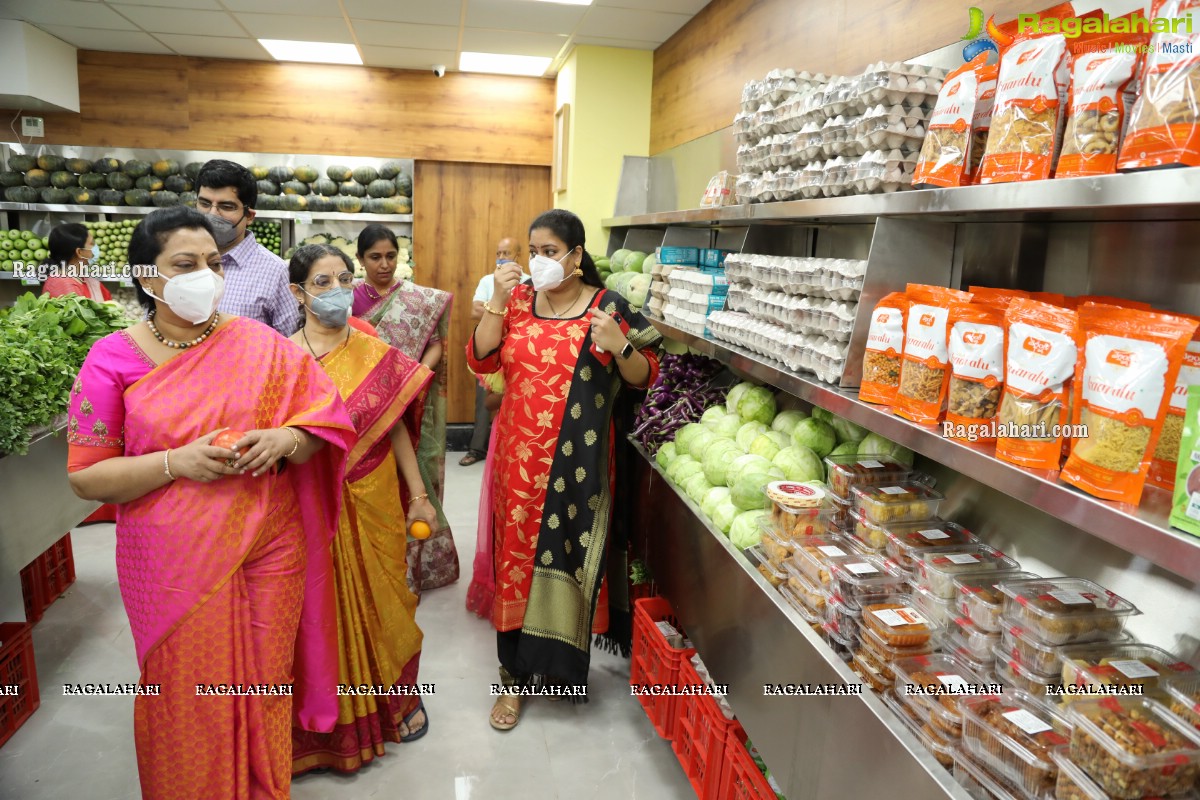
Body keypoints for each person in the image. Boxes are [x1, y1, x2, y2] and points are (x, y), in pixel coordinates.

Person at [64, 207, 355, 799]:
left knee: (265, 679)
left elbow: (324, 426)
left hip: (270, 546)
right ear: (147, 277)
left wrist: (287, 437)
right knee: (186, 689)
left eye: (214, 263)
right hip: (172, 563)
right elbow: (87, 478)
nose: (206, 274)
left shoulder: (257, 343)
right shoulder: (111, 358)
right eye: (186, 264)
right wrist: (176, 462)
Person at [467, 209, 661, 731]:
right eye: (534, 250)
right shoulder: (517, 302)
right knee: (515, 563)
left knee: (567, 558)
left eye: (550, 251)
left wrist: (619, 346)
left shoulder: (607, 306)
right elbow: (483, 359)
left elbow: (643, 377)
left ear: (576, 255)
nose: (539, 260)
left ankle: (556, 670)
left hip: (580, 466)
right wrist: (497, 303)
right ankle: (511, 680)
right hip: (517, 464)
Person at [285, 244, 436, 773]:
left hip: (373, 496)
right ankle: (323, 723)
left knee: (384, 600)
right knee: (316, 613)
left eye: (344, 279)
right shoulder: (281, 357)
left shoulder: (371, 344)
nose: (336, 291)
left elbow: (393, 424)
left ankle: (393, 704)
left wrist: (418, 495)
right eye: (322, 282)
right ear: (296, 292)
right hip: (306, 506)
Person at [352, 224, 460, 593]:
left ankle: (417, 565)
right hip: (366, 407)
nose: (384, 264)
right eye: (375, 257)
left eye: (391, 256)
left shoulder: (418, 299)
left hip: (412, 400)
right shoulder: (348, 299)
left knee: (417, 477)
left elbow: (436, 344)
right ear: (360, 259)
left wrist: (414, 379)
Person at [196, 159, 300, 336]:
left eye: (226, 206)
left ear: (249, 216)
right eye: (205, 204)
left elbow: (289, 345)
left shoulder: (275, 272)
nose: (212, 214)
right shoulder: (177, 261)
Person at [460, 237, 528, 467]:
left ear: (518, 256)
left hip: (521, 352)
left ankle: (517, 450)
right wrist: (509, 311)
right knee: (485, 402)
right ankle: (476, 448)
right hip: (491, 350)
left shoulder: (532, 282)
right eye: (498, 252)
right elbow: (474, 310)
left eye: (507, 253)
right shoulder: (489, 280)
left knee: (521, 400)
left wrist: (495, 310)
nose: (501, 257)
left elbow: (487, 309)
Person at [41, 222, 111, 301]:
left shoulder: (84, 279)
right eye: (92, 243)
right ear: (79, 252)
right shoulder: (63, 285)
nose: (96, 247)